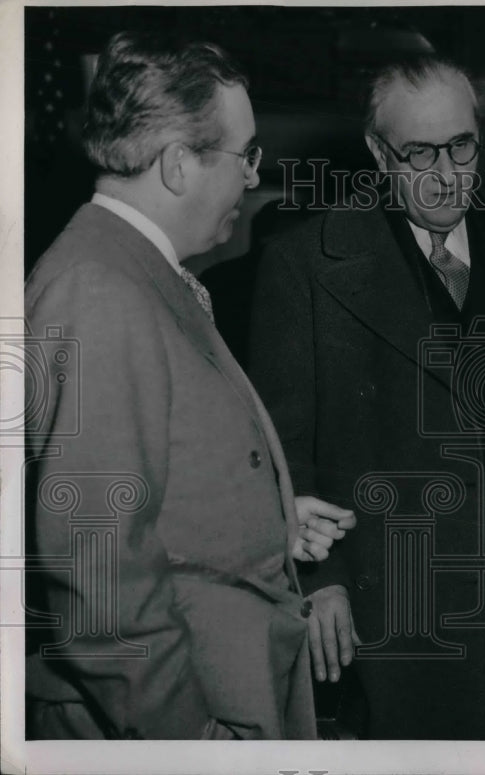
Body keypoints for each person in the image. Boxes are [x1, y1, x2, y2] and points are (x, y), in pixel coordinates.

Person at [247, 55, 485, 739]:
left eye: (462, 146)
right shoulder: (302, 264)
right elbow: (280, 450)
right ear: (377, 153)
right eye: (419, 153)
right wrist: (321, 578)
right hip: (395, 603)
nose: (447, 173)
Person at [24, 31, 355, 740]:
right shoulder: (100, 290)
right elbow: (100, 576)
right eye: (245, 156)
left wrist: (269, 515)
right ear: (178, 164)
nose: (250, 178)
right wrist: (189, 744)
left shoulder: (137, 271)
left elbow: (152, 481)